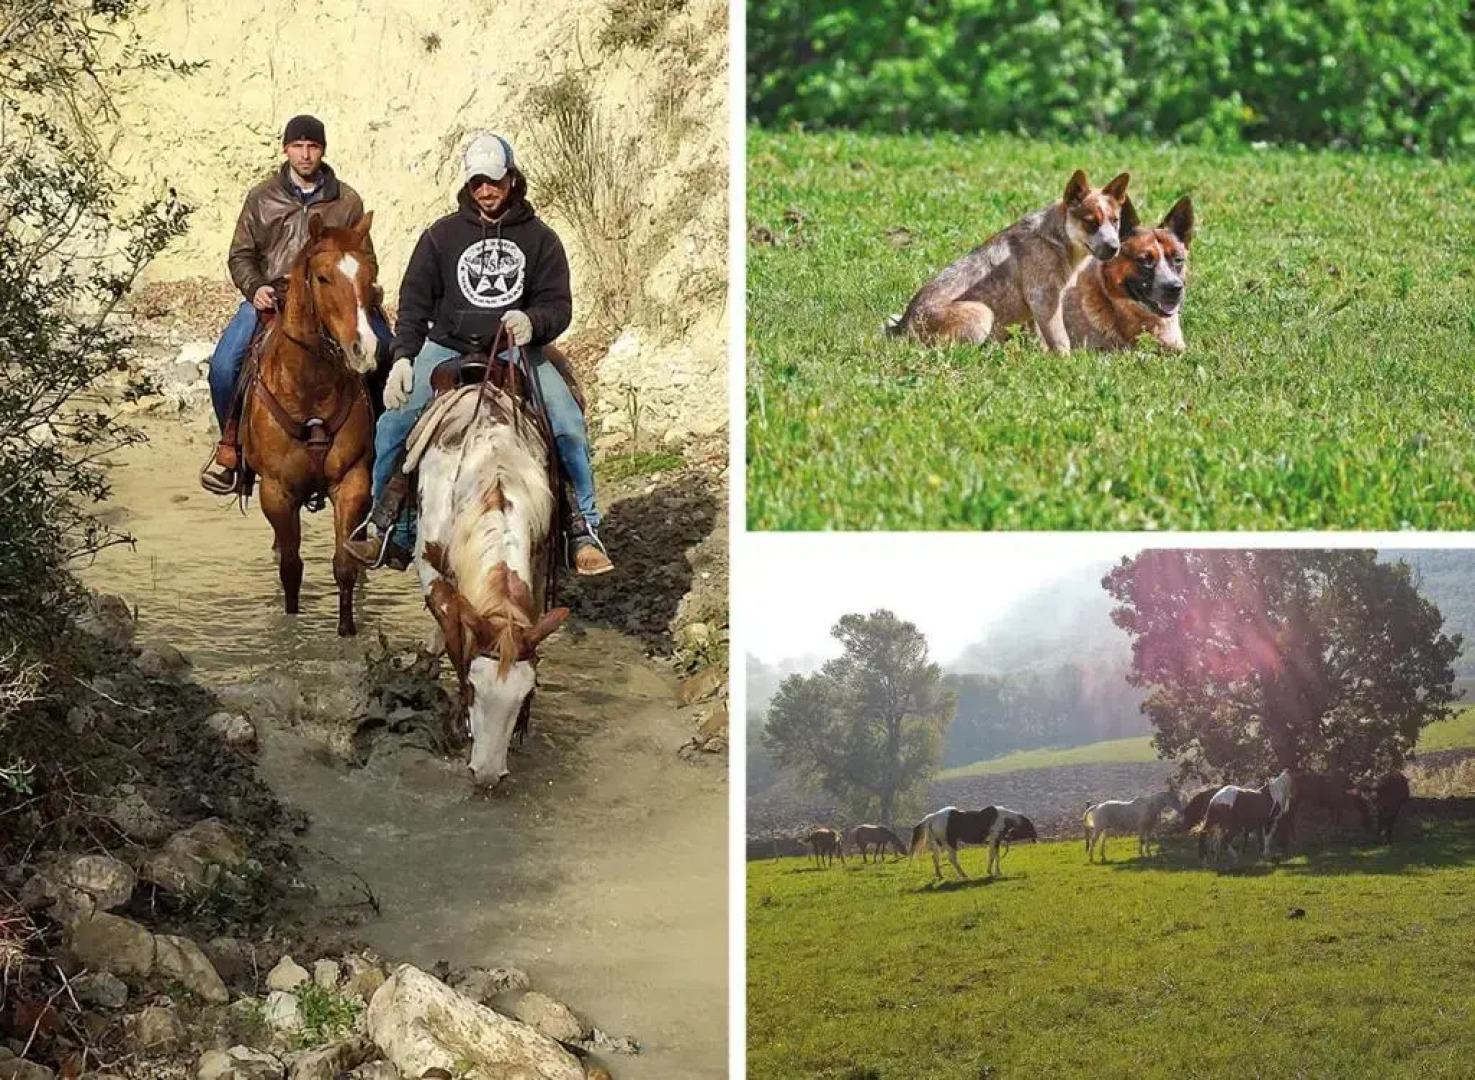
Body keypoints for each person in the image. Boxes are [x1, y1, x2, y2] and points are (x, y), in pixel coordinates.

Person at [342, 132, 614, 576]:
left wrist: (534, 323)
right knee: (393, 424)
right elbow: (414, 304)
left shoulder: (541, 239)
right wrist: (405, 358)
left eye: (493, 180)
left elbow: (558, 304)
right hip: (446, 345)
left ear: (511, 178)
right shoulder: (440, 236)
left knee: (567, 424)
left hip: (516, 351)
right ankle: (388, 525)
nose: (486, 190)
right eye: (477, 183)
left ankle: (583, 527)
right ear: (468, 186)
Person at [199, 114, 393, 495]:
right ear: (286, 149)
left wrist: (357, 290)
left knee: (386, 353)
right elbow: (241, 254)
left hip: (333, 298)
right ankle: (233, 448)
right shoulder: (261, 198)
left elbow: (364, 258)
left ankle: (384, 452)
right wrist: (255, 287)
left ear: (322, 150)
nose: (305, 154)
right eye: (298, 146)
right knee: (224, 366)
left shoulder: (347, 200)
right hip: (274, 296)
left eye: (313, 146)